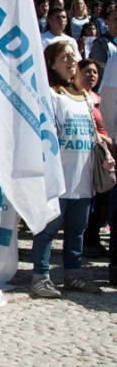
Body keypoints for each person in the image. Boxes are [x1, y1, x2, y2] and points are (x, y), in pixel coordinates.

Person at [29, 41, 104, 298]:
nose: (72, 61)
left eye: (73, 56)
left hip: (83, 177)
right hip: (58, 176)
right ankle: (40, 276)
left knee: (77, 230)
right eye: (64, 57)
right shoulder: (51, 95)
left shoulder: (85, 98)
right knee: (49, 229)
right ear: (51, 63)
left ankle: (73, 274)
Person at [77, 59, 111, 258]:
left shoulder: (99, 98)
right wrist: (107, 140)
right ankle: (86, 240)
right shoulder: (75, 97)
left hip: (105, 156)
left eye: (95, 73)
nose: (91, 76)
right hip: (90, 153)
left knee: (102, 199)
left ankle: (93, 239)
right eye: (87, 71)